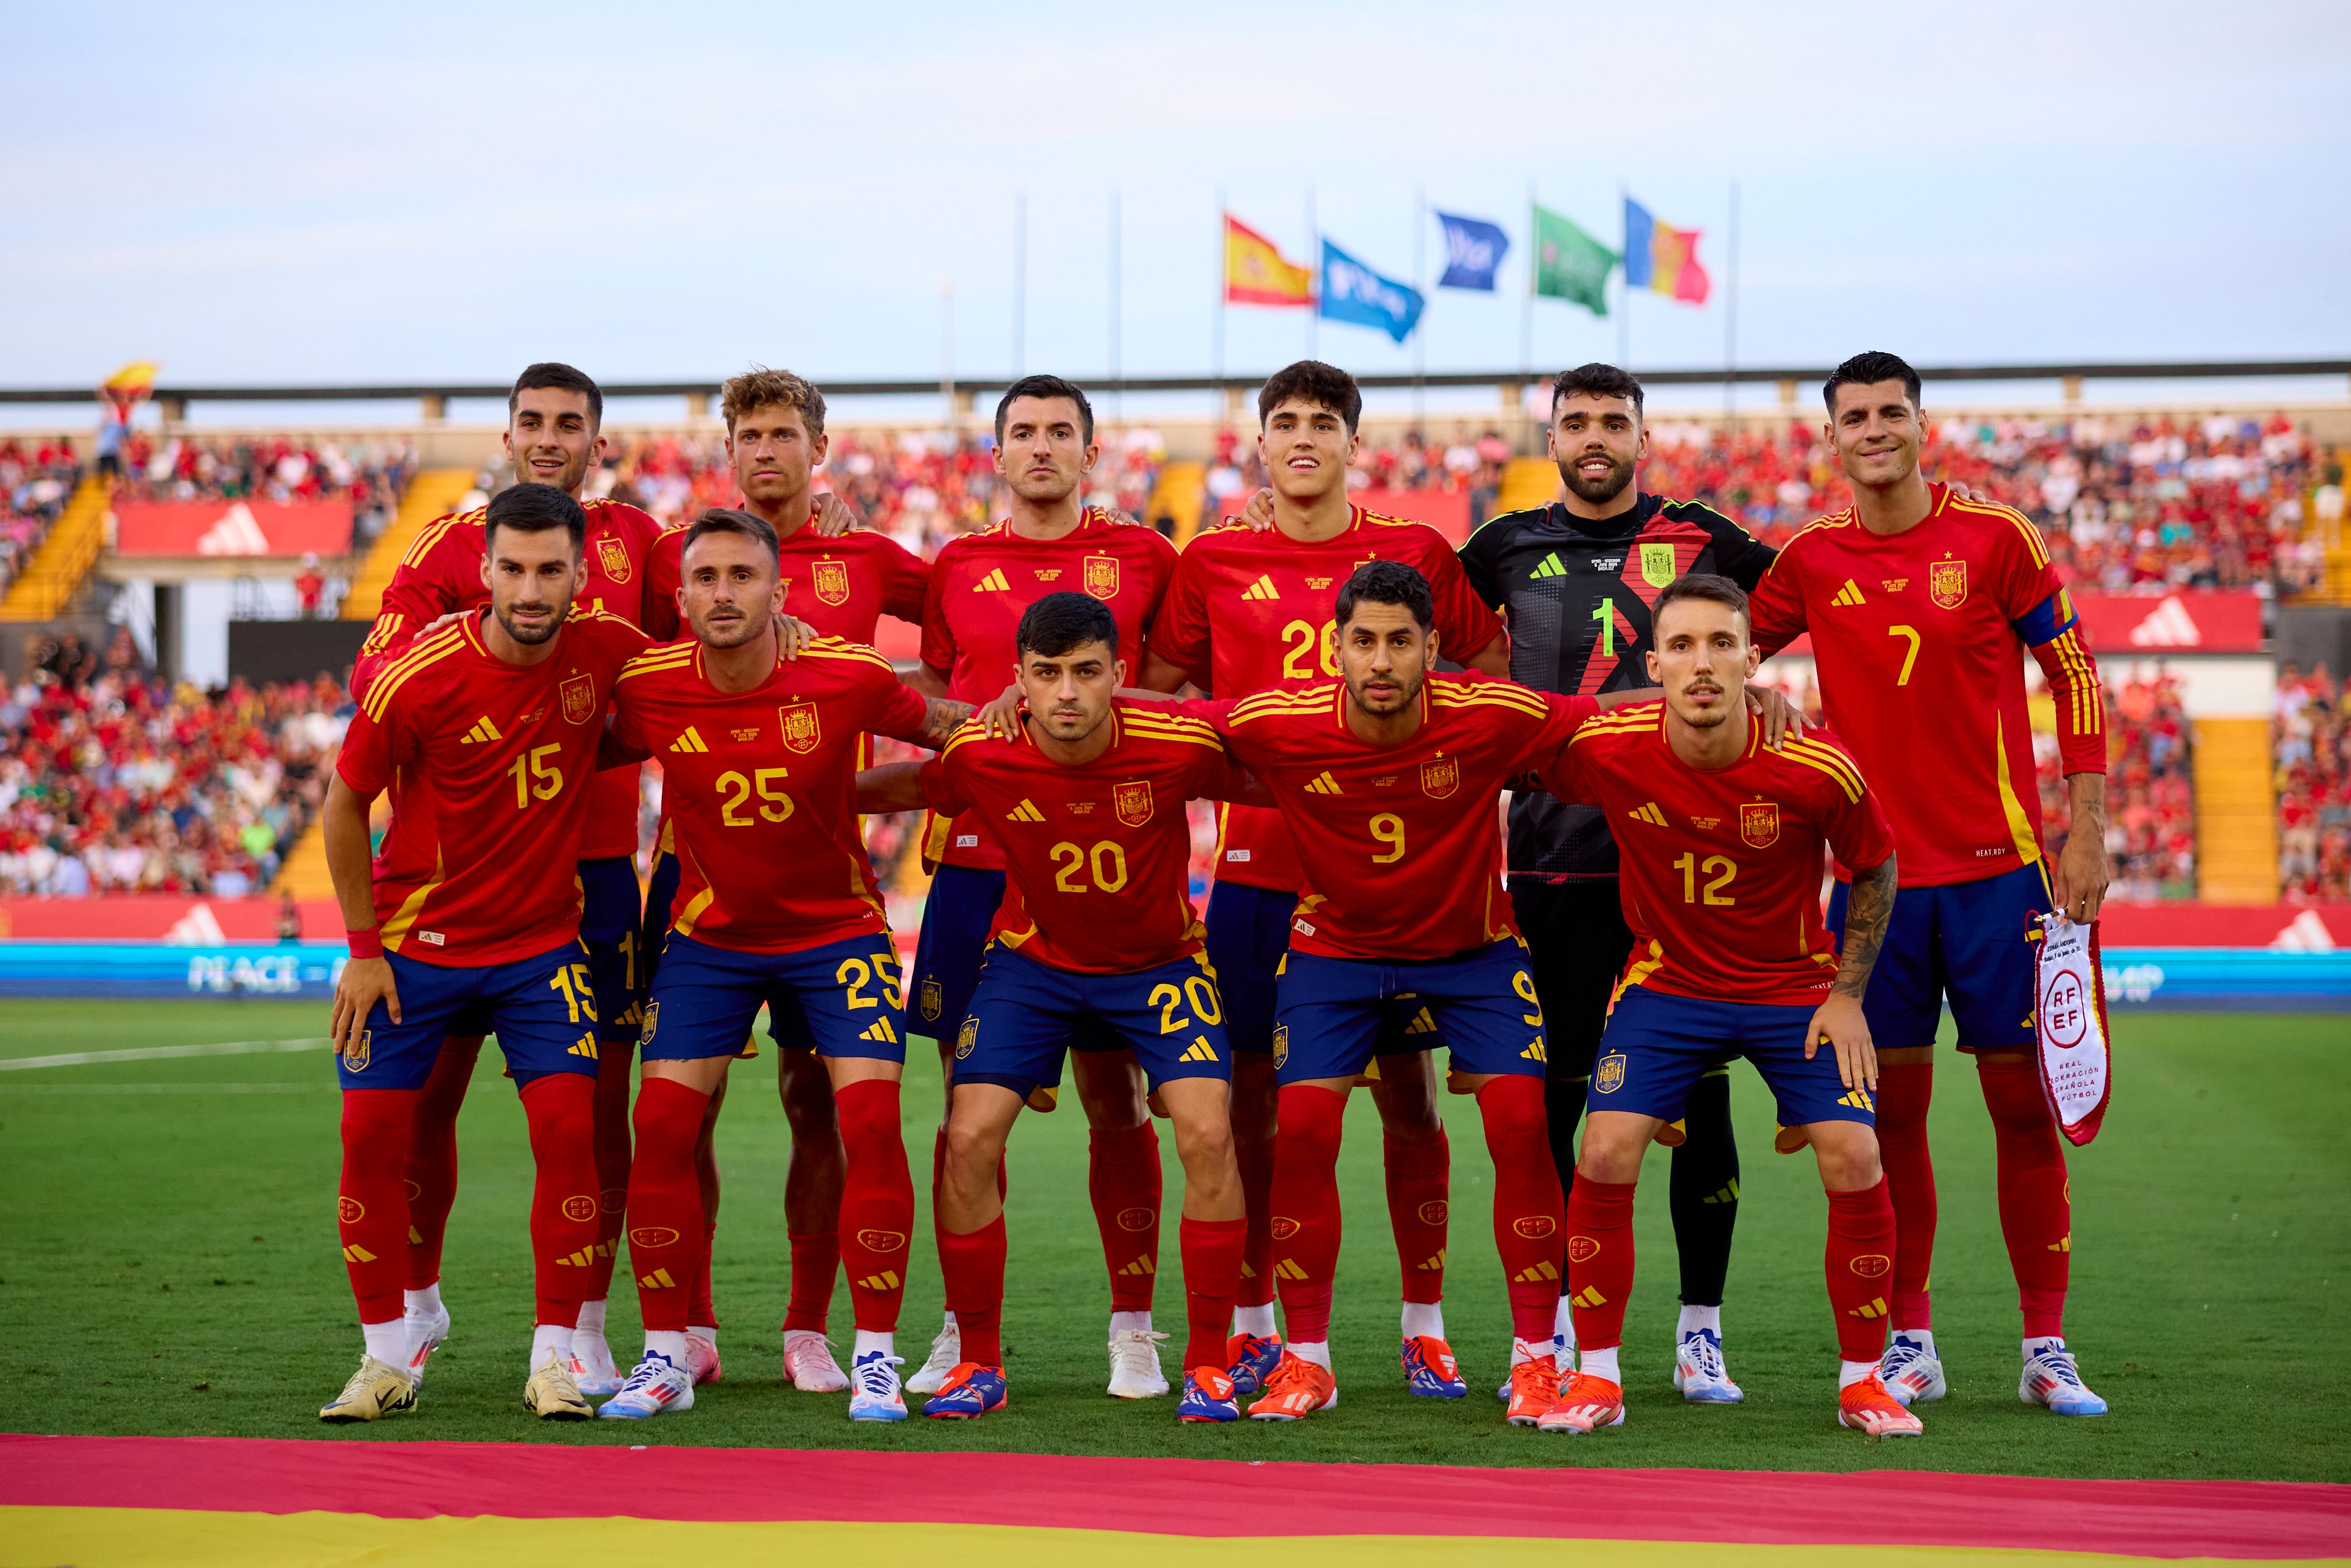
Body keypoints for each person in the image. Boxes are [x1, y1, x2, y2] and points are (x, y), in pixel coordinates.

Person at [1749, 351, 2111, 1418]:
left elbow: (2075, 672)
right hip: (1877, 889)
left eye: (1890, 413)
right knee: (1889, 1118)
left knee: (2022, 1111)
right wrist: (1756, 690)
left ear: (1921, 424)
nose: (1873, 430)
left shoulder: (1996, 538)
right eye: (1852, 417)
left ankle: (2045, 1346)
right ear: (1830, 438)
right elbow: (1715, 647)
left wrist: (2084, 826)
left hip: (2003, 879)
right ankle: (1912, 1341)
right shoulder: (1809, 560)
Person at [1146, 359, 1511, 1401]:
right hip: (1260, 877)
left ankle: (1424, 1326)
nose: (1303, 437)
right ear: (1259, 443)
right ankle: (1263, 1324)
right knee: (1257, 1108)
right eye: (1284, 422)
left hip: (1400, 881)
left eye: (1324, 422)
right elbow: (1159, 700)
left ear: (1357, 443)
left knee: (1410, 1103)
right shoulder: (1211, 558)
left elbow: (1487, 691)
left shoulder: (1416, 554)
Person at [1191, 559, 1602, 1425]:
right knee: (1300, 1129)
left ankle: (1535, 1358)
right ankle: (1307, 1360)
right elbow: (1160, 724)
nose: (1381, 661)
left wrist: (1747, 699)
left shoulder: (1490, 713)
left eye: (1401, 643)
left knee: (1522, 1126)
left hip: (1472, 953)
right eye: (1365, 642)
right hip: (1335, 952)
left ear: (1433, 651)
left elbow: (1611, 717)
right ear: (1335, 649)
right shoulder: (1281, 719)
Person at [592, 507, 967, 1423]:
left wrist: (1053, 709)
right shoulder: (645, 684)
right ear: (680, 597)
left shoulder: (846, 676)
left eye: (743, 577)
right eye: (708, 579)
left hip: (836, 934)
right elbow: (555, 735)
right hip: (709, 941)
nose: (725, 594)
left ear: (780, 591)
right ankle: (665, 1355)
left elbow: (955, 731)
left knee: (870, 1120)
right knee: (664, 1122)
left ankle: (874, 1354)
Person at [1455, 363, 1783, 1402]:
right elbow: (1422, 637)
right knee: (1561, 1111)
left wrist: (1764, 692)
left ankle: (1700, 1333)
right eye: (1577, 422)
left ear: (1644, 436)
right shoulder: (1501, 547)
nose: (1596, 437)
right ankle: (1550, 1332)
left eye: (1614, 421)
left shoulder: (1704, 537)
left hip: (1684, 861)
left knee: (1705, 1099)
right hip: (1551, 863)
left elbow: (1803, 600)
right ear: (1552, 438)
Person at [347, 362, 674, 1398]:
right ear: (506, 434)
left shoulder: (643, 545)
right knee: (423, 1103)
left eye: (568, 424)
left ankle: (579, 1328)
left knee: (593, 1106)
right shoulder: (451, 544)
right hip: (457, 873)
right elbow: (380, 678)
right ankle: (416, 1305)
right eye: (530, 421)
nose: (547, 438)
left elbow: (702, 638)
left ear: (597, 440)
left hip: (589, 875)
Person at [1531, 572, 1915, 1439]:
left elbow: (1876, 865)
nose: (1701, 664)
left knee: (1854, 1153)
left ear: (1752, 657)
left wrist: (1849, 996)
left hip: (1794, 987)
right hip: (1668, 982)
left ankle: (1864, 1381)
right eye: (1682, 646)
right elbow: (1511, 733)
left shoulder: (1816, 765)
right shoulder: (1609, 741)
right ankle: (1595, 1377)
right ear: (1654, 663)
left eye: (1721, 644)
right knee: (1604, 1146)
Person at [857, 592, 1252, 1423]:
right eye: (1047, 674)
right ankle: (978, 1361)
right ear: (1019, 683)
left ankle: (1211, 1363)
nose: (1067, 693)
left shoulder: (1175, 744)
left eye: (1085, 673)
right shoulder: (986, 752)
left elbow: (1272, 769)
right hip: (1032, 965)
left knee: (1210, 1130)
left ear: (1118, 676)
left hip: (1159, 967)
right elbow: (917, 781)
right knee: (966, 1135)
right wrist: (814, 794)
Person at [638, 367, 926, 1396]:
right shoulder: (684, 559)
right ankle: (692, 1328)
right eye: (746, 435)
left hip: (822, 876)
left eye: (781, 435)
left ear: (818, 446)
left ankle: (811, 1329)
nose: (764, 452)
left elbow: (976, 657)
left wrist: (866, 769)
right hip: (698, 874)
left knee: (821, 1099)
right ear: (728, 450)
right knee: (682, 1112)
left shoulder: (870, 557)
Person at [900, 375, 1184, 1401]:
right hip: (977, 864)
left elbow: (1185, 697)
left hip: (1106, 868)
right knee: (965, 1107)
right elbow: (936, 695)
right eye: (1023, 432)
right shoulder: (959, 563)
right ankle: (961, 1328)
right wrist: (972, 733)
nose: (1042, 448)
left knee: (1120, 1103)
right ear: (996, 453)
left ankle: (1134, 1328)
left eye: (1061, 432)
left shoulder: (1148, 557)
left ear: (1090, 451)